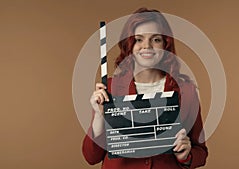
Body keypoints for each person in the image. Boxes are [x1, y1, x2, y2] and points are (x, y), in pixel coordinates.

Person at [82, 8, 208, 169]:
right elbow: (91, 157)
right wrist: (99, 119)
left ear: (165, 45)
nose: (146, 46)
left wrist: (186, 155)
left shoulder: (186, 91)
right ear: (129, 44)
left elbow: (201, 152)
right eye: (138, 40)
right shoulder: (110, 89)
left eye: (156, 40)